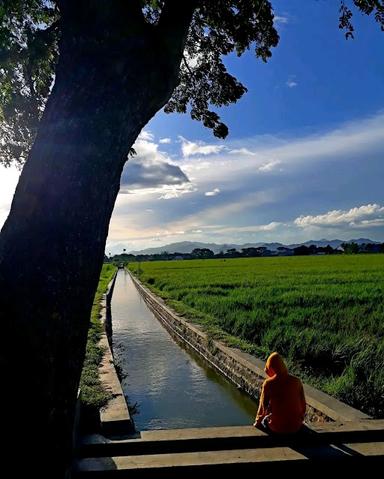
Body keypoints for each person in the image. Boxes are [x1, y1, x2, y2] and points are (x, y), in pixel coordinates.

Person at [253, 352, 306, 434]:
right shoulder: (296, 381)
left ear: (270, 367)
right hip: (296, 426)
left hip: (276, 428)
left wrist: (257, 422)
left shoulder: (268, 383)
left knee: (265, 420)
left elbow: (263, 408)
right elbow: (303, 404)